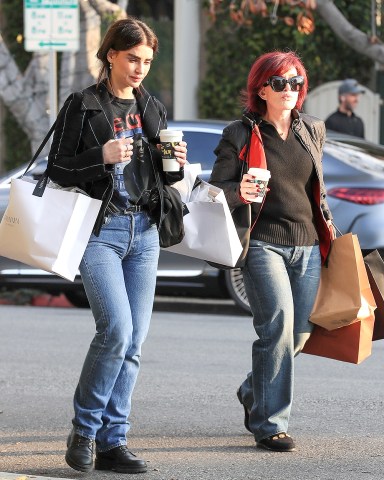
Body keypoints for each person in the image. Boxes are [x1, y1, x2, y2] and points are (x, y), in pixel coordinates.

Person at [47, 18, 187, 473]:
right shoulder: (83, 105)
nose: (140, 68)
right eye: (133, 59)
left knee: (135, 343)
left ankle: (113, 440)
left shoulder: (151, 107)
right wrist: (100, 157)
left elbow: (164, 178)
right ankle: (84, 431)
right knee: (116, 332)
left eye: (147, 61)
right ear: (111, 55)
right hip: (99, 232)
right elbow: (57, 171)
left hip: (144, 233)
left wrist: (176, 165)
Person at [209, 51, 335, 452]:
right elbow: (215, 189)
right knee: (276, 329)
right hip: (263, 244)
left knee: (299, 334)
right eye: (280, 82)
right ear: (261, 88)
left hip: (308, 245)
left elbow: (315, 188)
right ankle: (270, 424)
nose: (290, 90)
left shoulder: (311, 128)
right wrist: (237, 191)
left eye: (296, 82)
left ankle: (253, 390)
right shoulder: (241, 133)